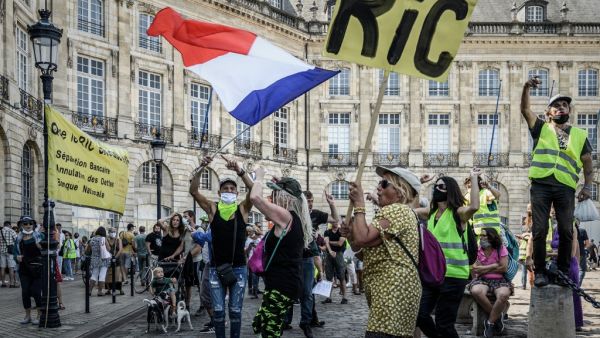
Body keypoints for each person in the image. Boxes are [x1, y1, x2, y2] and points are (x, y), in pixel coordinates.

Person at [521, 77, 594, 287]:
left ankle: (562, 271)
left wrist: (588, 186)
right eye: (556, 105)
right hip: (541, 185)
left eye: (564, 105)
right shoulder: (541, 128)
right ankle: (541, 271)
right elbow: (525, 109)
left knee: (566, 229)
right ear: (548, 112)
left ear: (569, 110)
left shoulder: (580, 135)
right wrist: (526, 87)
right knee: (540, 228)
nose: (561, 107)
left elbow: (588, 164)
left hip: (565, 186)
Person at [343, 166, 421, 337]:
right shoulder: (398, 212)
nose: (378, 187)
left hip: (393, 291)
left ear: (400, 191)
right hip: (392, 290)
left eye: (384, 183)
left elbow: (363, 238)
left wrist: (359, 204)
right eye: (380, 183)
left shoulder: (397, 210)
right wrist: (350, 236)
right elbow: (362, 247)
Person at [189, 155, 254, 338]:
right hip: (217, 268)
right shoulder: (213, 208)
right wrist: (201, 167)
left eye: (232, 189)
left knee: (234, 311)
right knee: (218, 312)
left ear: (236, 193)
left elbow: (254, 190)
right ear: (219, 192)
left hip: (239, 268)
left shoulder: (242, 209)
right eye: (225, 188)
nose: (229, 190)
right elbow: (193, 191)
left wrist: (240, 171)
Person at [416, 168, 482, 338]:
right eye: (436, 186)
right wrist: (420, 184)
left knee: (444, 323)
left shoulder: (458, 213)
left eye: (442, 187)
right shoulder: (430, 213)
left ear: (450, 190)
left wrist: (474, 177)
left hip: (454, 276)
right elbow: (409, 210)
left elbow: (474, 206)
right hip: (433, 275)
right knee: (420, 315)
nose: (437, 189)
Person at [249, 168, 310, 338]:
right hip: (279, 282)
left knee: (270, 331)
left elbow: (255, 198)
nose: (272, 198)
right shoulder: (292, 216)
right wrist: (243, 174)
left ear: (286, 197)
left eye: (275, 194)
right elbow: (256, 195)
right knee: (260, 323)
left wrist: (259, 177)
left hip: (282, 284)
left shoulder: (286, 215)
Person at [468, 227, 513, 338]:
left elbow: (503, 268)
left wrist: (484, 268)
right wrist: (494, 265)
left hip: (500, 280)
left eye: (484, 235)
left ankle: (490, 323)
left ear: (492, 237)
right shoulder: (478, 249)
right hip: (482, 280)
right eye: (481, 236)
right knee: (476, 291)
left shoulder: (500, 248)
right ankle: (497, 319)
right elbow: (475, 268)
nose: (481, 238)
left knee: (503, 295)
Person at [14, 216, 43, 325]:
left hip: (37, 268)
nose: (28, 226)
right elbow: (15, 252)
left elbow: (46, 249)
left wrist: (39, 246)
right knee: (25, 292)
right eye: (25, 224)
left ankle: (40, 315)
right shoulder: (18, 238)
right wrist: (16, 257)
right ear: (21, 225)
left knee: (36, 292)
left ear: (33, 225)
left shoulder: (39, 236)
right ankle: (28, 316)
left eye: (30, 223)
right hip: (24, 269)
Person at [322, 220, 348, 304]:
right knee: (329, 277)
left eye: (337, 222)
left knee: (341, 276)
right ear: (331, 223)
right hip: (329, 255)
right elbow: (326, 243)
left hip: (339, 254)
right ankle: (328, 297)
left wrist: (329, 242)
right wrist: (330, 251)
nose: (335, 223)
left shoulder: (342, 232)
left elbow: (340, 243)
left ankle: (344, 297)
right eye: (334, 222)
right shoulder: (327, 232)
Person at [86, 227, 111, 296]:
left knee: (94, 275)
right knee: (102, 275)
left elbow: (88, 250)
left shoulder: (92, 239)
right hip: (104, 259)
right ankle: (100, 291)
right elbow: (108, 248)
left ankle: (90, 291)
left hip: (94, 259)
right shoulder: (103, 239)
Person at [516, 205, 532, 290]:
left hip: (525, 256)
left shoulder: (526, 235)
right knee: (525, 271)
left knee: (525, 272)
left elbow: (526, 240)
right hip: (524, 256)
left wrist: (521, 238)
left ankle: (524, 285)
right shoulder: (525, 234)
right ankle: (525, 284)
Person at [106, 227, 125, 295]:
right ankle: (109, 289)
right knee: (108, 275)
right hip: (108, 259)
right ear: (109, 232)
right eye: (111, 231)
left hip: (117, 259)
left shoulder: (118, 240)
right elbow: (106, 249)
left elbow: (120, 249)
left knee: (118, 275)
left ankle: (120, 289)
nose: (113, 233)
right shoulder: (106, 240)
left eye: (114, 231)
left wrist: (115, 257)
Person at [1, 221, 18, 287]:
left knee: (2, 267)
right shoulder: (11, 231)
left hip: (2, 251)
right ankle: (12, 283)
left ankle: (3, 283)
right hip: (10, 252)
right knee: (11, 268)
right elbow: (17, 239)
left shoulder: (0, 231)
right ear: (9, 225)